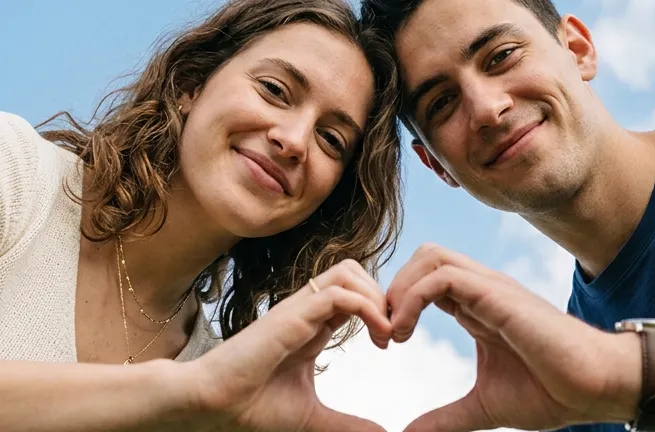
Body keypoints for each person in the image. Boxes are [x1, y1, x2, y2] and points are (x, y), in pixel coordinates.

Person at [361, 0, 655, 431]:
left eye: (500, 56)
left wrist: (616, 372)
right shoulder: (571, 404)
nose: (486, 108)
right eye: (442, 103)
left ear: (577, 49)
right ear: (438, 166)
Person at [0, 0, 403, 431]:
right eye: (274, 90)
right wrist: (179, 391)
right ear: (191, 84)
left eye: (331, 139)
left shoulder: (221, 396)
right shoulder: (16, 173)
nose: (294, 140)